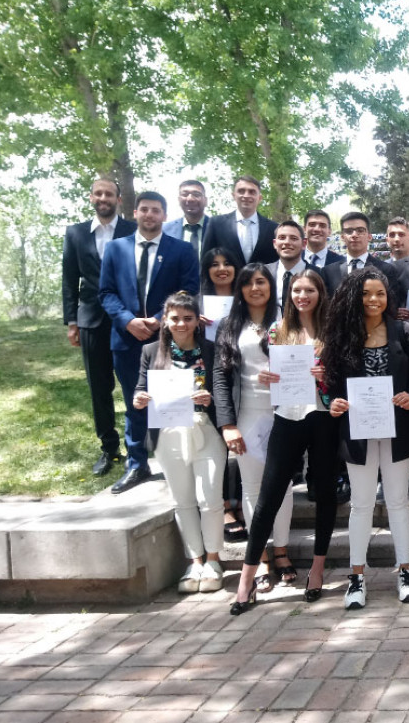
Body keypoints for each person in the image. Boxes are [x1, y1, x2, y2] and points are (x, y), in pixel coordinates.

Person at [229, 270, 339, 614]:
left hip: (322, 418)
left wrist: (328, 376)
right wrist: (266, 376)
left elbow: (347, 374)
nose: (303, 295)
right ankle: (246, 580)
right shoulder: (278, 331)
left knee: (324, 494)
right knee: (268, 497)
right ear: (289, 294)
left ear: (320, 293)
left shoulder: (333, 329)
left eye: (309, 289)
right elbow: (271, 373)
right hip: (287, 417)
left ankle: (317, 570)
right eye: (297, 290)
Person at [324, 267, 409, 609]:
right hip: (358, 430)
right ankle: (356, 576)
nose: (373, 299)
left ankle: (406, 571)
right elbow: (331, 386)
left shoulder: (404, 330)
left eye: (379, 293)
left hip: (398, 429)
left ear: (388, 297)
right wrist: (333, 403)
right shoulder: (343, 334)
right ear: (356, 295)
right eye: (367, 293)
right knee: (361, 503)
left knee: (397, 500)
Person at [98, 191, 200, 494]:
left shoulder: (181, 250)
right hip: (127, 339)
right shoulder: (115, 249)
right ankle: (137, 464)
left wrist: (159, 319)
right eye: (144, 209)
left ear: (164, 216)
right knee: (136, 402)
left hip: (168, 338)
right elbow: (106, 292)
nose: (150, 215)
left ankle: (181, 464)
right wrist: (128, 321)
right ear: (134, 212)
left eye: (156, 210)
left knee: (176, 402)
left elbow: (190, 289)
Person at [130, 291, 226, 594]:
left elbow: (224, 392)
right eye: (175, 318)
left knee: (209, 497)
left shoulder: (211, 350)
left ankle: (213, 559)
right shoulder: (151, 352)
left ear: (198, 320)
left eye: (188, 318)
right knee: (182, 500)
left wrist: (209, 399)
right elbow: (139, 390)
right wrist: (140, 399)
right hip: (169, 432)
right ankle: (194, 561)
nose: (181, 324)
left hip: (206, 429)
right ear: (165, 321)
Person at [212, 264, 293, 593]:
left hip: (285, 413)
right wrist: (228, 425)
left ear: (271, 286)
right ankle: (259, 556)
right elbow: (220, 377)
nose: (255, 288)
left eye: (261, 282)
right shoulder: (229, 326)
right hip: (246, 415)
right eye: (248, 283)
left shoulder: (287, 321)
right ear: (240, 289)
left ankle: (283, 550)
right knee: (252, 487)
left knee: (284, 485)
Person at [62, 178, 136, 477]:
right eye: (99, 193)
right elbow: (69, 279)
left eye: (110, 194)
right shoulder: (76, 233)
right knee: (99, 387)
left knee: (133, 384)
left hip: (127, 317)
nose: (103, 198)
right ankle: (109, 447)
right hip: (91, 318)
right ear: (91, 197)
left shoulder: (132, 230)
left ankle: (137, 447)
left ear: (119, 199)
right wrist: (71, 321)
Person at [196, 247, 246, 543]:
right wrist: (194, 323)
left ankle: (240, 502)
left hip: (242, 376)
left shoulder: (247, 298)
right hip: (207, 374)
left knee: (243, 446)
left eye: (228, 263)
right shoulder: (197, 303)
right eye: (215, 265)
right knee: (218, 445)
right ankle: (225, 506)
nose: (222, 269)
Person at [322, 212, 404, 304]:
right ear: (342, 237)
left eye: (360, 230)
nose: (354, 235)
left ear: (369, 236)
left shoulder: (386, 270)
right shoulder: (329, 272)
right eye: (349, 231)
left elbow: (392, 305)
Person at [201, 175, 279, 267]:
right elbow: (206, 261)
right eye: (241, 191)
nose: (246, 195)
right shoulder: (216, 224)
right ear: (234, 195)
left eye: (252, 192)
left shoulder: (273, 228)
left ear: (260, 198)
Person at [264, 221, 317, 312]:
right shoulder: (264, 273)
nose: (287, 242)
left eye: (293, 238)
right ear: (275, 243)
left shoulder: (319, 274)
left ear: (304, 244)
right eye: (282, 238)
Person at [163, 179, 210, 259]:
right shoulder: (165, 231)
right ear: (179, 200)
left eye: (196, 194)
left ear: (205, 201)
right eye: (185, 194)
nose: (190, 199)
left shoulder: (219, 229)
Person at [383, 217, 409, 319]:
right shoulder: (381, 269)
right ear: (387, 240)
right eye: (392, 235)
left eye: (401, 234)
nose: (397, 239)